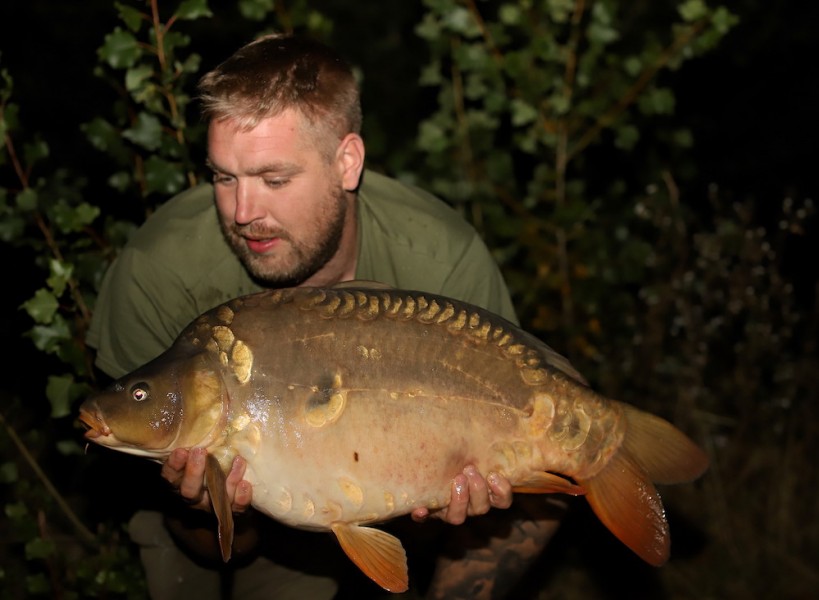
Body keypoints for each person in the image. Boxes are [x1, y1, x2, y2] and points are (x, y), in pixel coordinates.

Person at [87, 33, 568, 599]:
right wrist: (206, 503)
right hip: (232, 522)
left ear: (347, 161)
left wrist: (465, 486)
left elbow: (540, 429)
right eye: (223, 177)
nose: (243, 212)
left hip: (381, 500)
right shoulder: (158, 272)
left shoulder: (442, 259)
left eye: (274, 180)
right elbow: (206, 538)